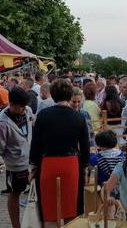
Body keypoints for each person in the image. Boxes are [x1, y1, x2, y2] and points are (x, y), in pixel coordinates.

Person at [29, 79, 91, 226]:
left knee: (49, 210)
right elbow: (85, 145)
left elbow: (36, 143)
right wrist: (85, 167)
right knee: (72, 208)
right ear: (69, 95)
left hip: (48, 164)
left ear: (52, 94)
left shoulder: (43, 115)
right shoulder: (79, 117)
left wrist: (33, 166)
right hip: (71, 165)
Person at [0, 87, 34, 228]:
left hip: (31, 161)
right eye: (20, 106)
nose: (23, 108)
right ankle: (16, 225)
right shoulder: (1, 125)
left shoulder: (27, 111)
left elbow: (32, 124)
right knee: (15, 193)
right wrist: (9, 159)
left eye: (24, 105)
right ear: (11, 104)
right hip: (15, 165)